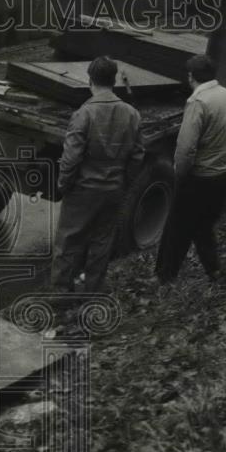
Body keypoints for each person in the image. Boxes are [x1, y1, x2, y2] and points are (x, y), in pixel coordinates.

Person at [52, 56, 146, 299]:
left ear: (90, 79)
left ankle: (62, 295)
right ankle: (92, 291)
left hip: (84, 189)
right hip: (113, 188)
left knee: (68, 242)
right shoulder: (132, 114)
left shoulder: (85, 114)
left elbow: (71, 157)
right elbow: (137, 156)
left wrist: (64, 185)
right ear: (113, 80)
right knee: (102, 243)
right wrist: (125, 182)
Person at [155, 54, 226, 285]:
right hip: (224, 174)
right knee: (203, 225)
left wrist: (179, 176)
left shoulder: (198, 102)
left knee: (178, 228)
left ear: (191, 76)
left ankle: (166, 276)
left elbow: (185, 148)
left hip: (200, 177)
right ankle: (214, 271)